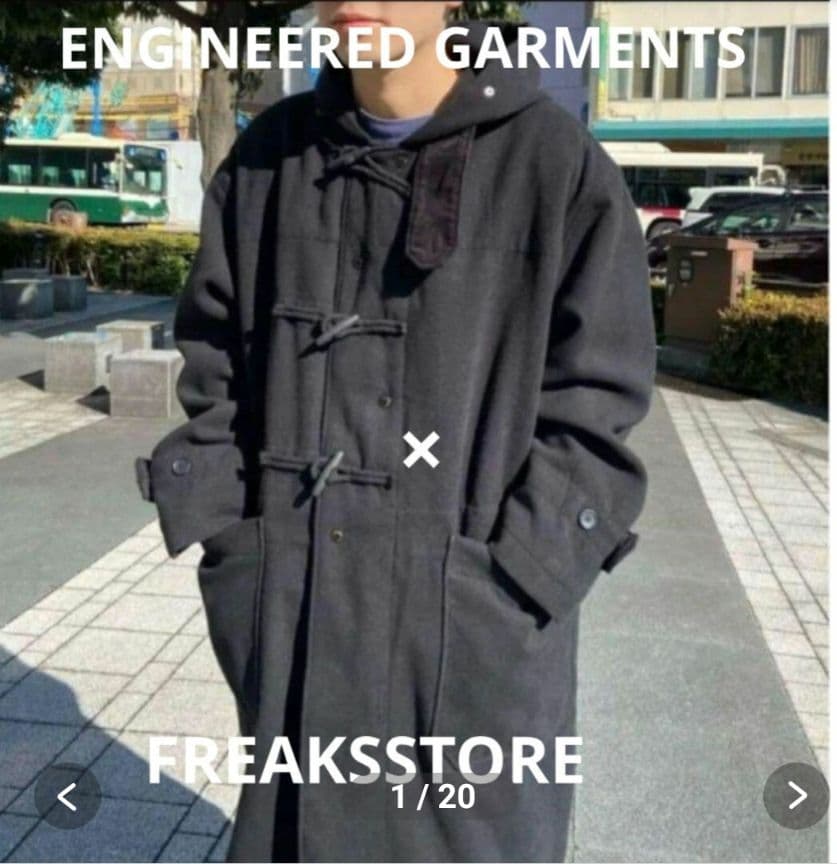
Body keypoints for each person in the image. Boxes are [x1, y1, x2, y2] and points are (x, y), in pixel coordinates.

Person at [135, 3, 657, 861]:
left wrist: (516, 581)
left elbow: (598, 398)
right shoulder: (269, 158)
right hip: (297, 607)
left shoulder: (554, 163)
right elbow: (213, 363)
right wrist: (238, 550)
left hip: (477, 626)